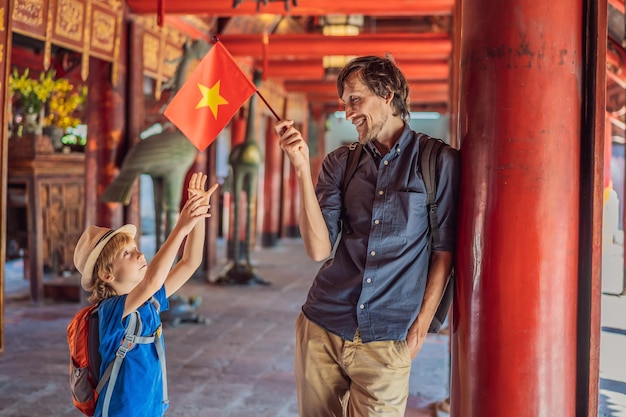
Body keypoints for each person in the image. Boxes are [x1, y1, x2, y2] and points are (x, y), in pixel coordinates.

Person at [274, 55, 460, 416]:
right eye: (345, 103)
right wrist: (299, 167)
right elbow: (318, 249)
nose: (348, 112)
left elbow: (444, 251)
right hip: (322, 326)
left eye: (355, 100)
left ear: (387, 94)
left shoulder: (438, 162)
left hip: (389, 337)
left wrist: (420, 328)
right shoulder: (339, 163)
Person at [73, 172, 218, 417]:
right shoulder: (110, 311)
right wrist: (180, 227)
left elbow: (190, 262)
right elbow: (151, 281)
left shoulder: (149, 302)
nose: (140, 255)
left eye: (136, 248)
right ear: (108, 274)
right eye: (127, 254)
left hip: (151, 409)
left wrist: (198, 215)